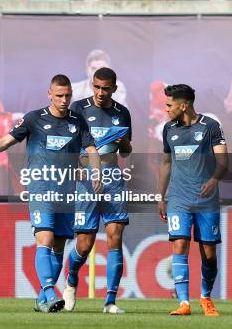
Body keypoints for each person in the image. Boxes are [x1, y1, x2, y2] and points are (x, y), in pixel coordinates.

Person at [0, 74, 101, 313]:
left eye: (67, 95)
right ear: (49, 94)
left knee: (58, 245)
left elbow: (91, 149)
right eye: (59, 95)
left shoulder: (77, 121)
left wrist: (96, 171)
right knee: (45, 239)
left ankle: (41, 300)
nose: (64, 99)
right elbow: (5, 142)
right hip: (40, 189)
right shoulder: (34, 119)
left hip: (66, 193)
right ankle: (49, 292)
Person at [63, 67, 132, 314]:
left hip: (113, 178)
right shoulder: (78, 109)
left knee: (115, 237)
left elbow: (125, 151)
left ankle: (110, 301)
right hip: (86, 179)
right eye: (97, 87)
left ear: (114, 88)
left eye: (106, 88)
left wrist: (123, 141)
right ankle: (71, 281)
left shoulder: (122, 113)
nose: (101, 93)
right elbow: (68, 146)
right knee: (84, 243)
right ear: (92, 85)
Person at [158, 84, 228, 316]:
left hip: (206, 201)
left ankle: (206, 298)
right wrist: (161, 196)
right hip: (178, 199)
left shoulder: (210, 127)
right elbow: (166, 164)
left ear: (183, 105)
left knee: (208, 252)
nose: (166, 109)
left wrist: (214, 180)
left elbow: (223, 161)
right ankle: (184, 303)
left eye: (169, 105)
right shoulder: (168, 129)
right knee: (179, 245)